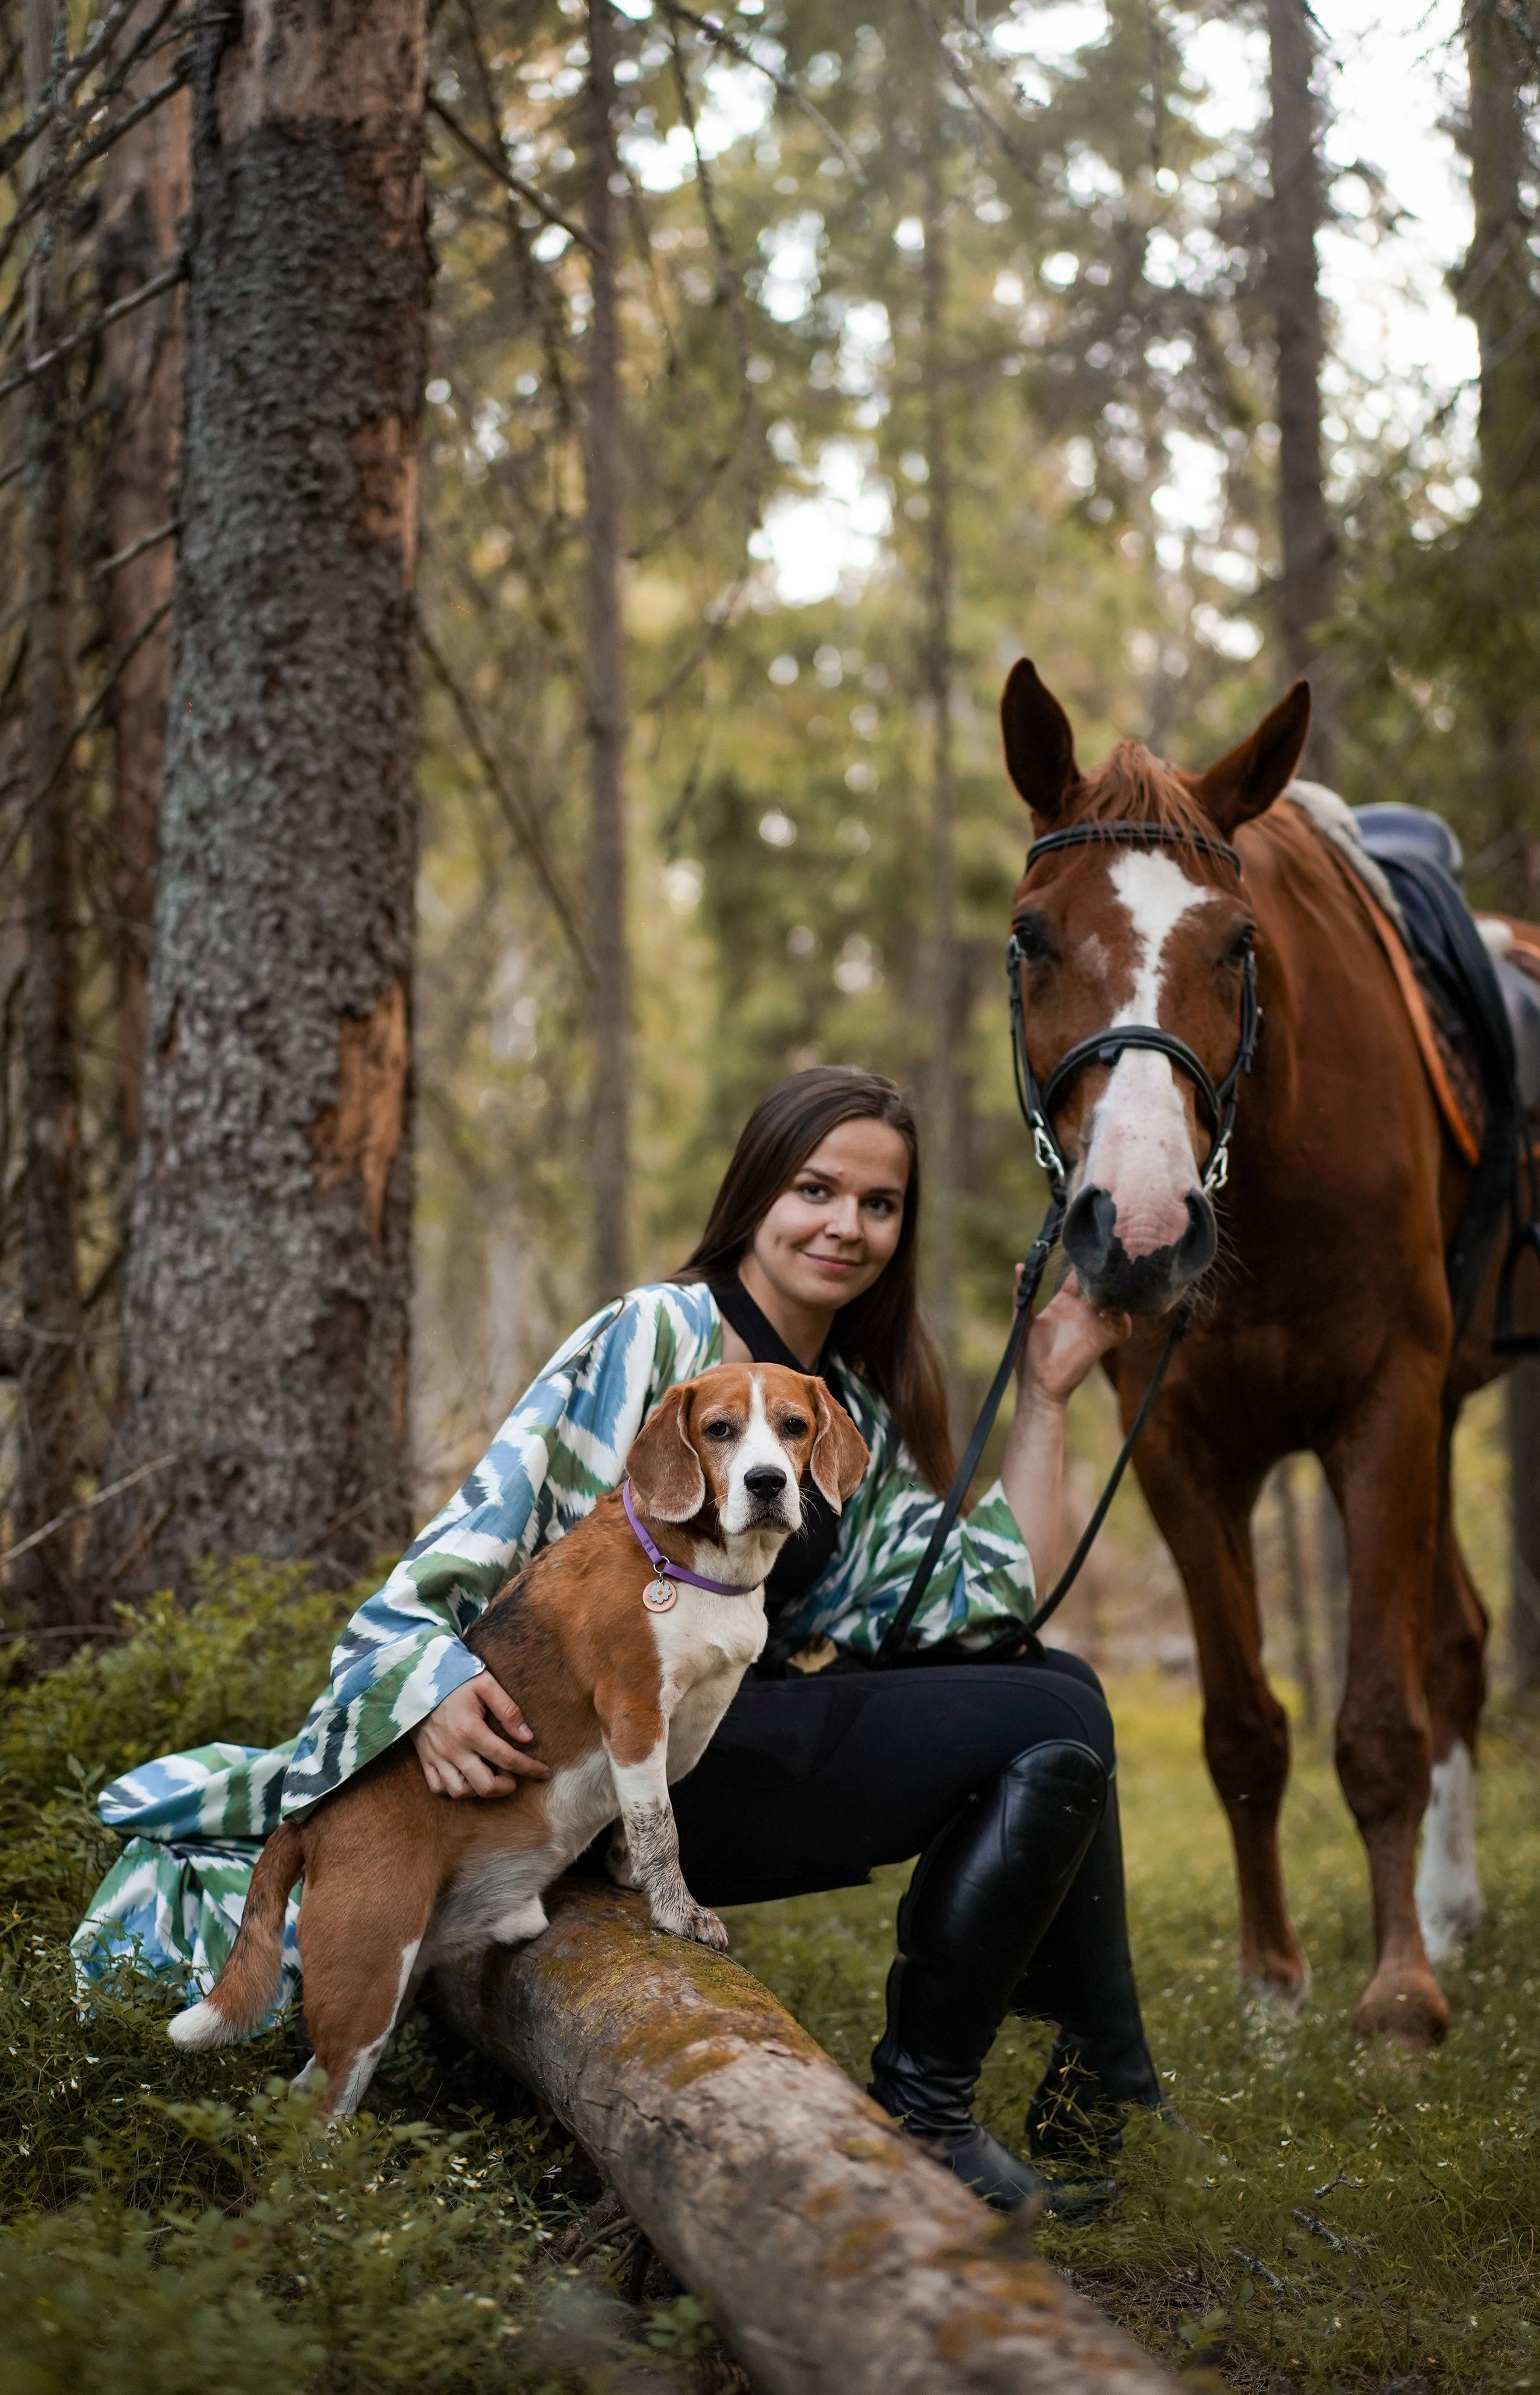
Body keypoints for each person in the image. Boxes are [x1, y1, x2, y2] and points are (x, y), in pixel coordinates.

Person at [75, 1065, 1163, 2212]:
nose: (847, 1223)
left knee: (1057, 1688)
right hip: (578, 1757)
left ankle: (1083, 2090)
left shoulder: (846, 1410)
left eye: (881, 1203)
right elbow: (465, 1543)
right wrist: (434, 1681)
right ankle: (966, 2112)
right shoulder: (651, 1333)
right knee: (1055, 1706)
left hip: (715, 1747)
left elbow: (981, 1605)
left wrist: (1044, 1393)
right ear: (756, 1194)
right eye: (815, 1187)